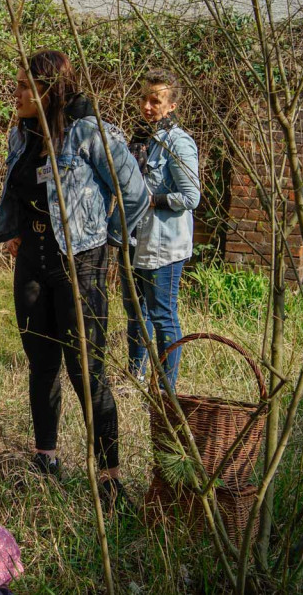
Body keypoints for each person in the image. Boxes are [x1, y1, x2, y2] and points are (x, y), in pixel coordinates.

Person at [0, 50, 149, 510]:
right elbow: (21, 187)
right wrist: (16, 229)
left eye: (23, 86)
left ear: (48, 90)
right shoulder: (23, 133)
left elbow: (134, 191)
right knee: (42, 365)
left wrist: (109, 241)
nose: (15, 94)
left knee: (86, 370)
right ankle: (46, 460)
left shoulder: (87, 132)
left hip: (81, 265)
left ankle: (111, 480)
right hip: (33, 261)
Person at [122, 69, 200, 391]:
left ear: (171, 106)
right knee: (135, 313)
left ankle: (165, 389)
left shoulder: (178, 143)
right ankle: (135, 377)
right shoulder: (143, 138)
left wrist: (150, 200)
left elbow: (191, 197)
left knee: (162, 316)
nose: (148, 106)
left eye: (156, 100)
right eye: (144, 98)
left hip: (164, 246)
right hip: (135, 239)